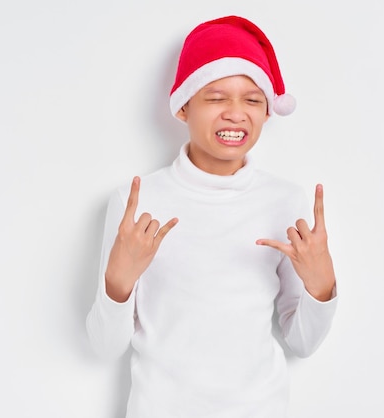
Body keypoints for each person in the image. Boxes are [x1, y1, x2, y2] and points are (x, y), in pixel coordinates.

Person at [86, 15, 338, 418]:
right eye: (217, 98)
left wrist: (321, 286)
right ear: (184, 106)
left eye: (253, 100)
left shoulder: (286, 201)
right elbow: (103, 347)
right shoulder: (138, 201)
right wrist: (119, 281)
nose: (236, 113)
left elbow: (302, 343)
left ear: (268, 112)